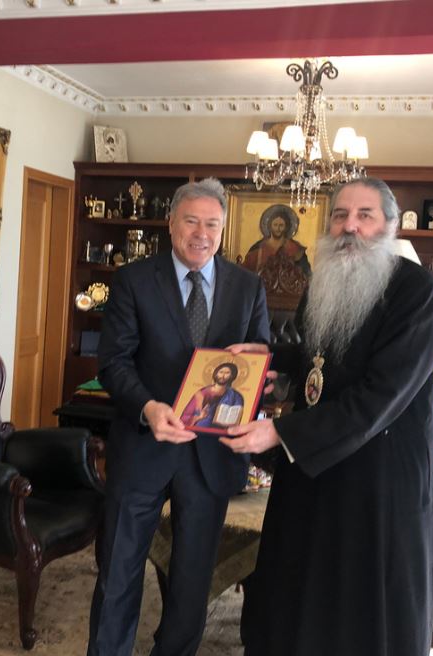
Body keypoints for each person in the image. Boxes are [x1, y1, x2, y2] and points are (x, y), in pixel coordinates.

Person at [221, 177, 433, 656]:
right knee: (301, 591)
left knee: (360, 609)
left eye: (365, 215)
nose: (350, 226)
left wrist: (279, 431)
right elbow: (320, 359)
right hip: (316, 469)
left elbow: (378, 398)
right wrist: (269, 357)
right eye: (340, 215)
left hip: (378, 482)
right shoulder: (325, 281)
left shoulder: (417, 293)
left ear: (390, 225)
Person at [87, 177, 270, 656]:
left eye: (212, 224)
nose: (201, 234)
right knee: (118, 570)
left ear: (223, 230)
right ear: (171, 224)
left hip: (210, 455)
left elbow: (262, 360)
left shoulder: (248, 286)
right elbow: (113, 363)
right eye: (191, 221)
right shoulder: (133, 280)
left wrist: (262, 372)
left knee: (193, 581)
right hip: (143, 446)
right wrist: (148, 407)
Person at [242, 204, 312, 279]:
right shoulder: (258, 249)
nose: (278, 228)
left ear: (286, 227)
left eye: (281, 225)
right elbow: (245, 274)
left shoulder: (296, 250)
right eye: (275, 225)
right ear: (270, 226)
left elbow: (305, 275)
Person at [179, 362, 244, 429]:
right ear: (216, 374)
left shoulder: (236, 396)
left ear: (232, 376)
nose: (223, 375)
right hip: (200, 429)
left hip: (222, 431)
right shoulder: (203, 393)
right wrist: (198, 417)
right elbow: (186, 416)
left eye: (227, 373)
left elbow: (235, 417)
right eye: (221, 372)